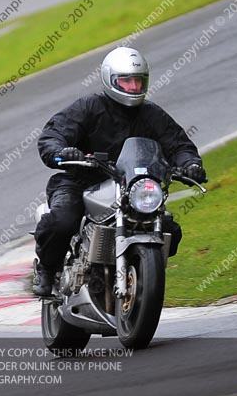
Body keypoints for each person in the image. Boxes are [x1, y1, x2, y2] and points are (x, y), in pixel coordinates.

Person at [33, 47, 207, 297]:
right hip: (81, 180)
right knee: (63, 221)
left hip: (131, 185)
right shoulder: (89, 107)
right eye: (126, 80)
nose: (133, 87)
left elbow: (179, 144)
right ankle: (47, 269)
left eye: (138, 81)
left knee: (170, 229)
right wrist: (63, 151)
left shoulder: (152, 114)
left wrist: (191, 164)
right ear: (110, 79)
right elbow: (53, 134)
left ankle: (142, 278)